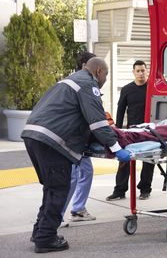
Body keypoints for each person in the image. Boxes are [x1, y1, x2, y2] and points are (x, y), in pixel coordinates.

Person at [22, 58, 132, 253]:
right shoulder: (88, 85)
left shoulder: (69, 80)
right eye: (106, 75)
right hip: (52, 141)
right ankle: (46, 239)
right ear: (98, 71)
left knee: (52, 188)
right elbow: (97, 122)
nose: (105, 79)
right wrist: (116, 148)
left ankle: (40, 231)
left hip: (34, 136)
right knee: (58, 190)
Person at [106, 60, 154, 201]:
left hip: (149, 130)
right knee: (124, 159)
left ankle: (145, 190)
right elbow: (121, 110)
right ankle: (120, 190)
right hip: (131, 131)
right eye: (138, 71)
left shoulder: (152, 88)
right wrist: (118, 130)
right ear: (133, 72)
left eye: (143, 70)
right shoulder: (127, 89)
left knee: (148, 160)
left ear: (147, 71)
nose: (140, 73)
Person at [60, 51, 97, 227]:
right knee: (72, 177)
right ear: (84, 66)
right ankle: (58, 216)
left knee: (85, 172)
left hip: (77, 138)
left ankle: (77, 209)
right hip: (70, 138)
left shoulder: (76, 81)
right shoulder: (80, 82)